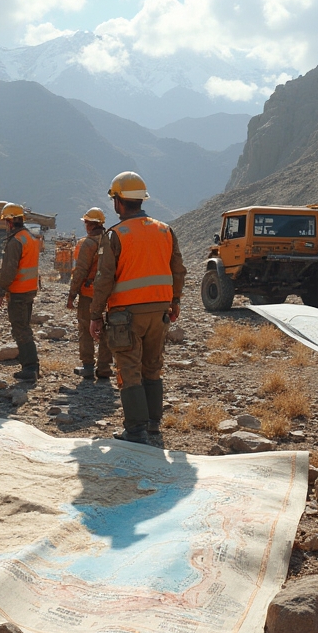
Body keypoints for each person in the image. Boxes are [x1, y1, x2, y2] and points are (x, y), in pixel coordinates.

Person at [90, 172, 186, 443]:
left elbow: (104, 279)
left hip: (126, 316)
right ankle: (153, 424)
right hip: (159, 313)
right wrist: (175, 301)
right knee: (152, 367)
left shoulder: (115, 235)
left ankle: (135, 431)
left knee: (129, 370)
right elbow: (178, 270)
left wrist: (95, 315)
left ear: (119, 201)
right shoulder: (165, 230)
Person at [0, 203, 41, 381]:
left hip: (19, 292)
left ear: (10, 222)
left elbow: (8, 271)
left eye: (6, 221)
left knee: (21, 329)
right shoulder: (29, 237)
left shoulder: (15, 241)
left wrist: (0, 291)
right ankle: (32, 365)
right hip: (29, 290)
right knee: (24, 327)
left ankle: (30, 368)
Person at [66, 207, 112, 379]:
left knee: (86, 329)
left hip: (89, 294)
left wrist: (72, 295)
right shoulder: (111, 241)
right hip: (109, 294)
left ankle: (87, 365)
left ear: (88, 224)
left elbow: (80, 272)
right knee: (107, 329)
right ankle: (104, 367)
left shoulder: (88, 243)